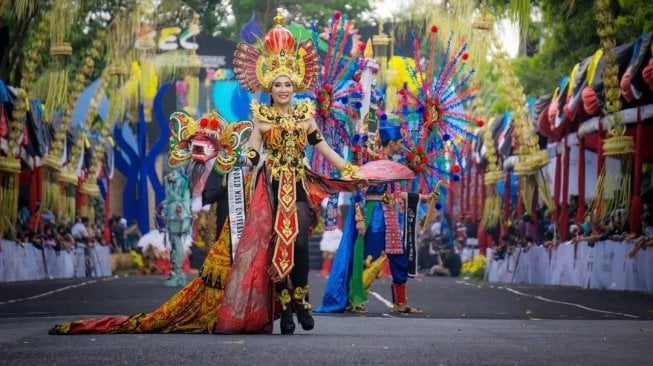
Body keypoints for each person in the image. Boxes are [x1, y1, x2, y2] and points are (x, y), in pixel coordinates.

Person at [50, 14, 369, 336]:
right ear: (268, 86)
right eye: (277, 84)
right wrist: (249, 157)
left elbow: (324, 149)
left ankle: (299, 299)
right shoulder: (260, 117)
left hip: (297, 183)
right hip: (268, 186)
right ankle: (283, 306)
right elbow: (254, 151)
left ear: (296, 84)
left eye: (288, 84)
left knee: (298, 240)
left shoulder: (305, 117)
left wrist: (350, 170)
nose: (283, 89)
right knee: (273, 244)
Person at [318, 125, 434, 314]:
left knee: (399, 257)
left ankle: (400, 303)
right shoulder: (372, 161)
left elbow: (397, 192)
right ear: (392, 143)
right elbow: (359, 189)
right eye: (399, 142)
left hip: (390, 216)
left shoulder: (391, 164)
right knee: (367, 258)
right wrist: (360, 218)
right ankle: (354, 299)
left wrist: (422, 198)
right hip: (374, 215)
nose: (402, 145)